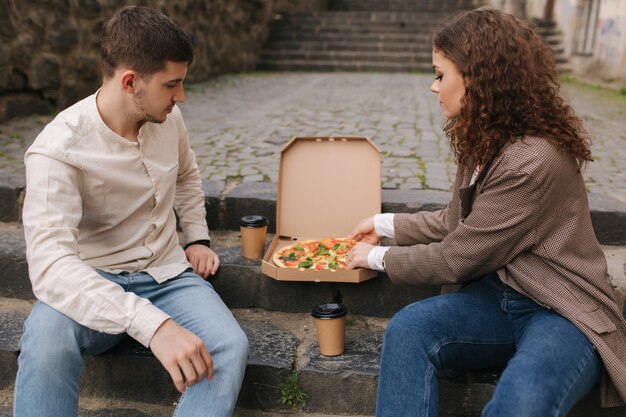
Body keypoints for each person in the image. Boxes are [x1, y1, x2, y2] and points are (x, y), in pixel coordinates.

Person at [346, 7, 626, 417]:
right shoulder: (488, 134)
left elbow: (455, 257)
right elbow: (456, 223)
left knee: (520, 404)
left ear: (476, 77)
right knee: (408, 329)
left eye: (441, 74)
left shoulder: (532, 160)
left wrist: (374, 257)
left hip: (560, 310)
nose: (432, 86)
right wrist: (382, 224)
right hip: (497, 298)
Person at [14, 6, 249, 417]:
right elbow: (50, 266)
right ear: (130, 82)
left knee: (230, 345)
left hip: (168, 274)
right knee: (46, 342)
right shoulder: (57, 149)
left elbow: (188, 176)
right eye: (172, 84)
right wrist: (153, 325)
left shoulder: (169, 119)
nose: (181, 97)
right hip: (91, 278)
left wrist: (196, 235)